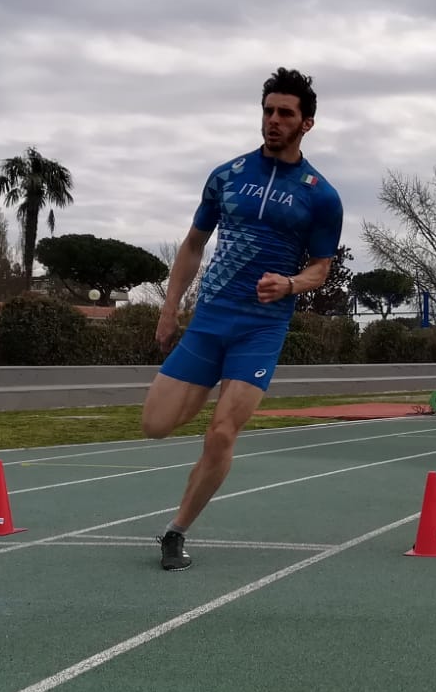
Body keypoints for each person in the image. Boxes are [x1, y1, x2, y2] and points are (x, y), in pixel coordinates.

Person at [142, 67, 344, 572]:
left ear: (307, 123)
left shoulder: (321, 195)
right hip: (210, 320)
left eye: (286, 114)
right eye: (268, 111)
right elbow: (193, 245)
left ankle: (176, 530)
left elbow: (321, 269)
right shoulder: (226, 176)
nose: (274, 121)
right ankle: (203, 399)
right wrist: (170, 310)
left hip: (261, 327)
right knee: (155, 424)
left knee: (222, 433)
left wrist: (291, 284)